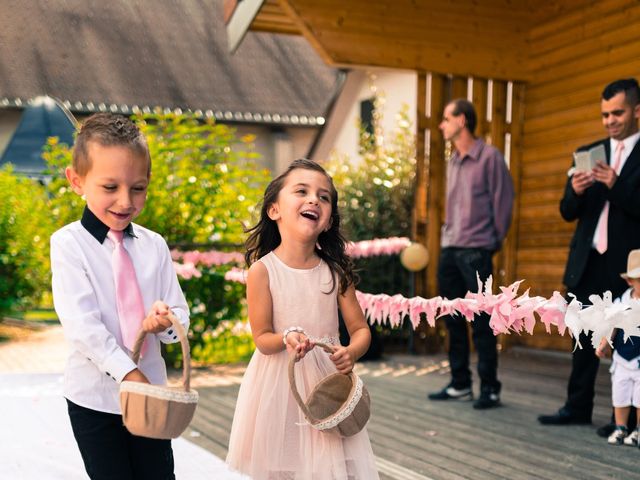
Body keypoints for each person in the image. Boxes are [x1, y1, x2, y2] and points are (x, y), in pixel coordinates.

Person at [51, 113, 189, 479]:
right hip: (94, 400)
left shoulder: (154, 246)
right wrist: (128, 372)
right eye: (110, 187)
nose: (125, 201)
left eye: (138, 188)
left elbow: (180, 314)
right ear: (76, 181)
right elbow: (83, 327)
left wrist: (166, 322)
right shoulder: (68, 245)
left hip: (151, 399)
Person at [226, 159, 379, 479]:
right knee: (282, 466)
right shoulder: (263, 271)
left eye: (324, 197)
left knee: (328, 467)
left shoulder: (335, 272)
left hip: (328, 386)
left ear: (327, 221)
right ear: (274, 210)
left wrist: (351, 352)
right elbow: (262, 339)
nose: (314, 200)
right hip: (279, 386)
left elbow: (360, 329)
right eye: (302, 191)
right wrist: (285, 338)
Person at [538, 78, 640, 434]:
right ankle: (576, 406)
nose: (610, 120)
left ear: (636, 111)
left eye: (617, 112)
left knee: (627, 341)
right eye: (604, 114)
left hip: (629, 267)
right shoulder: (590, 151)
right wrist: (577, 192)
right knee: (581, 338)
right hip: (588, 261)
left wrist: (616, 184)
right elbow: (568, 211)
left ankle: (623, 418)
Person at [427, 99, 515, 409]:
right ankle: (460, 383)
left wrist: (490, 243)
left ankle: (489, 388)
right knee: (451, 318)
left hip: (477, 250)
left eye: (446, 118)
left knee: (482, 322)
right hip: (450, 250)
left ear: (462, 120)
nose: (441, 125)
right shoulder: (453, 161)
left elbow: (503, 204)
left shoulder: (490, 158)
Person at [595, 249, 640, 447]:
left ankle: (638, 430)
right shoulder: (621, 302)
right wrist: (604, 344)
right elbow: (611, 326)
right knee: (620, 395)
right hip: (622, 356)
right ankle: (621, 427)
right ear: (630, 281)